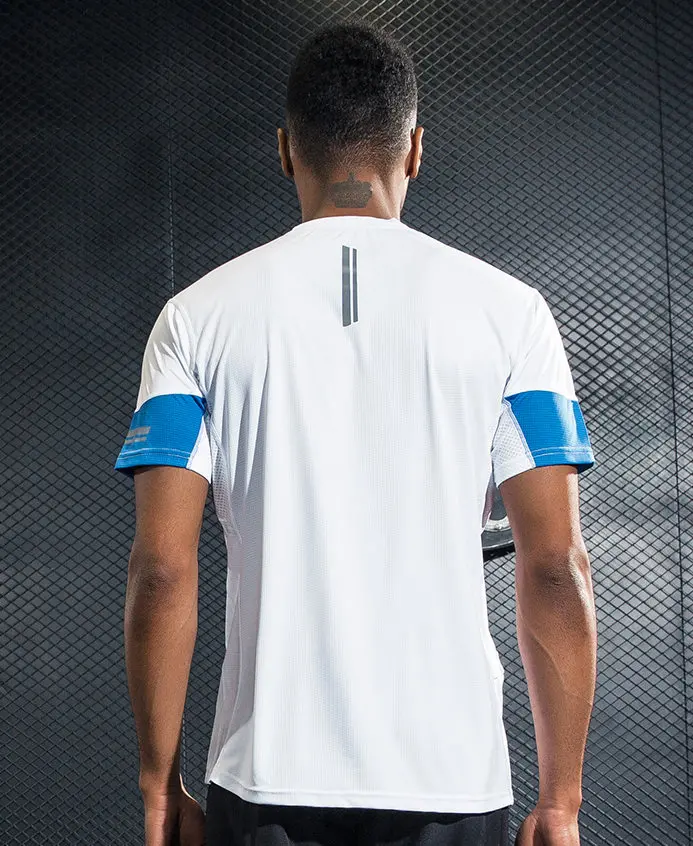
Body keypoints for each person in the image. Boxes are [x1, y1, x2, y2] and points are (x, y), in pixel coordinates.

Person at [115, 19, 597, 846]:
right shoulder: (512, 315)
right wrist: (561, 800)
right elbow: (554, 565)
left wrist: (159, 787)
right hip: (450, 779)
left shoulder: (193, 319)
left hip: (264, 781)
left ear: (283, 150)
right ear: (414, 150)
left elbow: (161, 568)